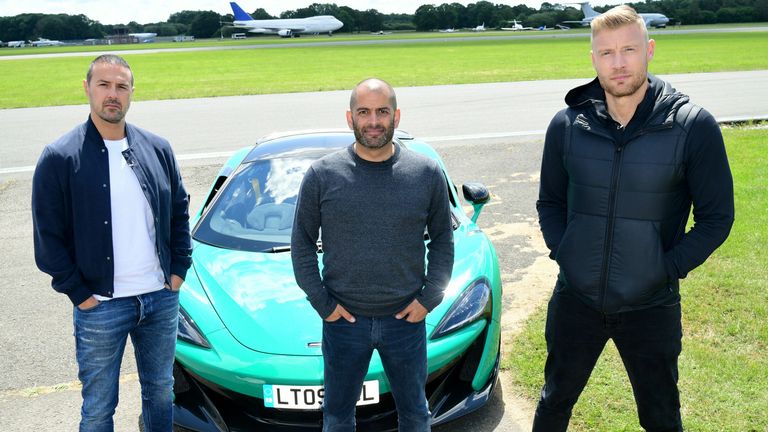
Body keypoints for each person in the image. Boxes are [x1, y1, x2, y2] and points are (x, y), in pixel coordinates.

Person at [533, 6, 734, 431]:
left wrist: (665, 269)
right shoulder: (567, 125)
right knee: (553, 403)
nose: (618, 62)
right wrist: (565, 253)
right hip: (576, 301)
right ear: (593, 58)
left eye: (629, 49)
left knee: (661, 416)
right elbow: (550, 202)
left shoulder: (692, 126)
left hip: (651, 306)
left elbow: (717, 218)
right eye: (606, 52)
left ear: (650, 50)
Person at [31, 54, 192, 432]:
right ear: (87, 89)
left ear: (132, 92)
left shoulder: (158, 148)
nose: (113, 94)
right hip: (101, 305)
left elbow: (179, 212)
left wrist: (178, 270)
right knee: (100, 405)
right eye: (104, 85)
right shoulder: (60, 156)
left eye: (121, 86)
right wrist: (79, 292)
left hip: (159, 297)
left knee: (161, 392)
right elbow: (48, 237)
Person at [291, 78, 454, 431]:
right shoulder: (322, 174)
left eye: (382, 111)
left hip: (406, 322)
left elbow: (443, 240)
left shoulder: (425, 173)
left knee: (415, 414)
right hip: (344, 323)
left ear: (396, 115)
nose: (374, 121)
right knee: (337, 418)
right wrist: (324, 304)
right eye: (364, 112)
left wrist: (429, 299)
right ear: (350, 118)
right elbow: (302, 243)